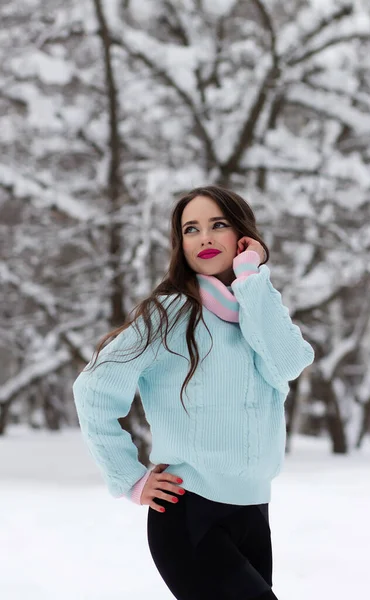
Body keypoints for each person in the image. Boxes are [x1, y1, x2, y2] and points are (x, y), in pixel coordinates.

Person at [72, 185, 314, 600]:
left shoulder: (256, 308)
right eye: (190, 229)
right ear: (179, 243)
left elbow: (289, 363)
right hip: (188, 512)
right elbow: (93, 388)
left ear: (242, 236)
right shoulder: (168, 314)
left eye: (217, 225)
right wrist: (129, 478)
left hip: (254, 512)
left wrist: (252, 277)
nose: (203, 237)